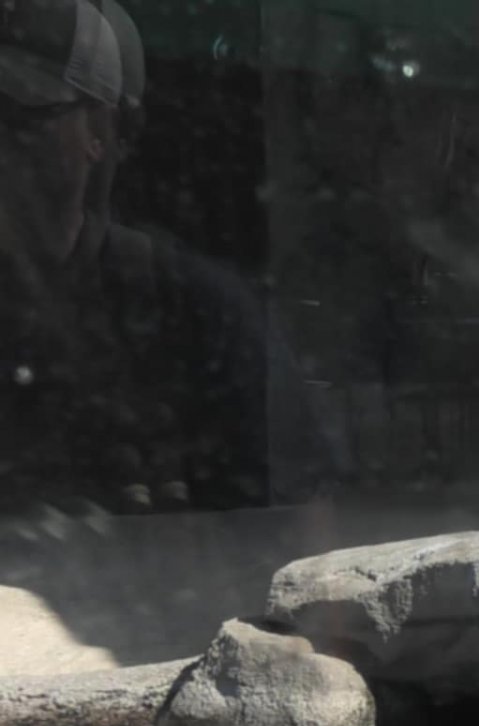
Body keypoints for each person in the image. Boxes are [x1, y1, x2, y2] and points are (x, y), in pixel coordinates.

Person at [0, 0, 333, 517]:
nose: (4, 143)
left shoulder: (200, 313)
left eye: (22, 112)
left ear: (102, 131)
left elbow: (308, 540)